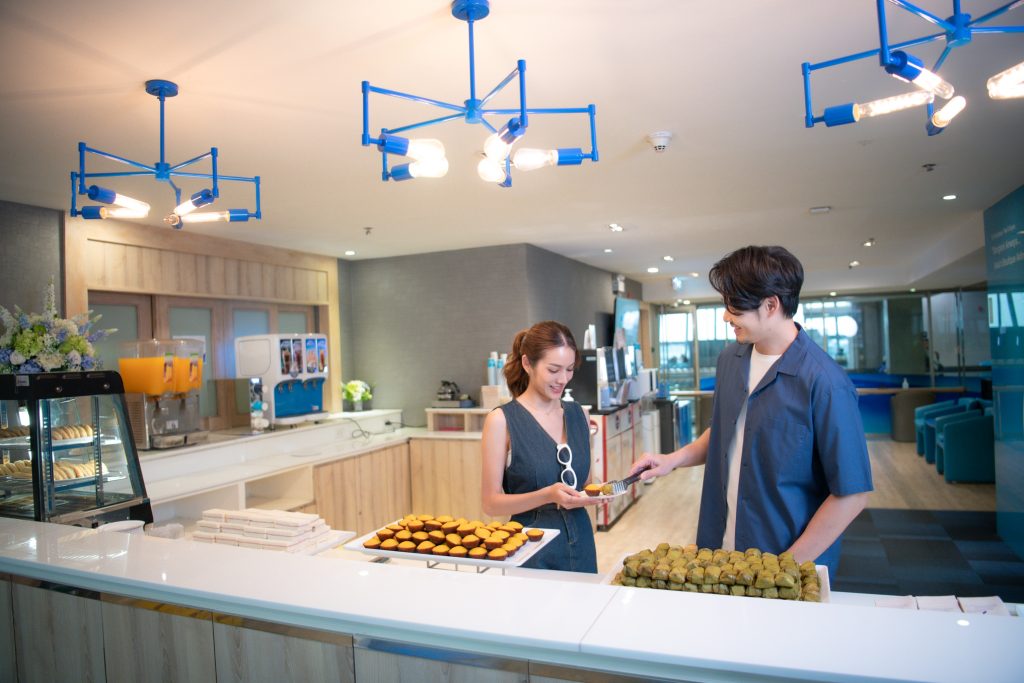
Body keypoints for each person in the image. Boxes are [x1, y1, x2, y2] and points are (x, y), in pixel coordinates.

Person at [631, 246, 873, 575]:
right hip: (719, 550)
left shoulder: (826, 382)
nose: (726, 316)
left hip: (787, 562)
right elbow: (729, 431)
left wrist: (784, 567)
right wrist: (672, 460)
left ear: (771, 305)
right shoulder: (730, 360)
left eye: (735, 306)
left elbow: (852, 495)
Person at [481, 321, 601, 573]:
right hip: (530, 547)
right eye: (553, 369)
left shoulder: (577, 414)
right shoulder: (502, 421)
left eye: (569, 370)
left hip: (581, 542)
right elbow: (491, 504)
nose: (563, 379)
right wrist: (547, 495)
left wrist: (598, 493)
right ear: (527, 364)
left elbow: (584, 483)